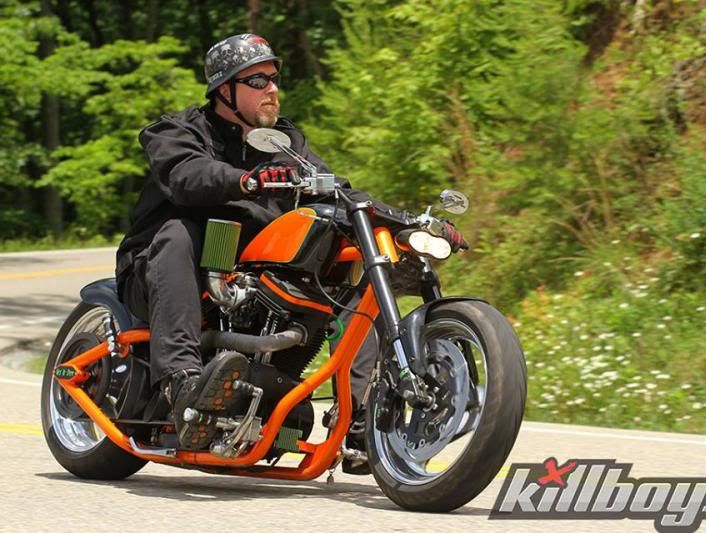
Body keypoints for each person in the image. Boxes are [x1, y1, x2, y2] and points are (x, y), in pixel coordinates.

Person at [115, 34, 466, 467]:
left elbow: (341, 192)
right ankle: (181, 382)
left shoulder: (286, 142)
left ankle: (361, 417)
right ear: (224, 90)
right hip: (166, 271)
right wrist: (247, 180)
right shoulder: (178, 130)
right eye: (257, 80)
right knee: (179, 232)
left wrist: (411, 223)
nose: (272, 89)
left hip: (250, 275)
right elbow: (187, 176)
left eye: (274, 78)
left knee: (354, 269)